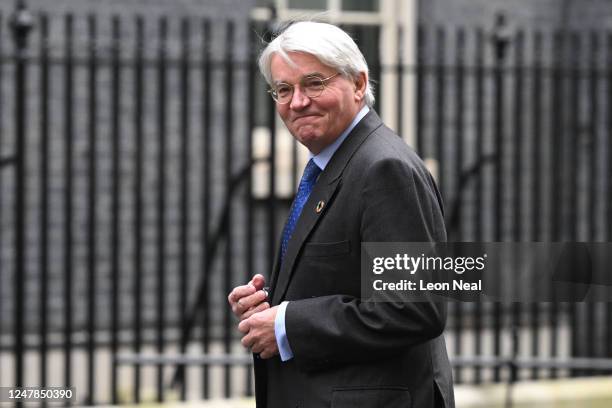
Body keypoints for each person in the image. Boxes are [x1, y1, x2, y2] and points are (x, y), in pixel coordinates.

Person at [227, 21, 454, 408]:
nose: (297, 101)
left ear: (359, 84)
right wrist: (272, 304)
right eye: (283, 90)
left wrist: (286, 325)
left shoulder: (384, 168)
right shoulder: (332, 164)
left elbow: (414, 307)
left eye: (314, 83)